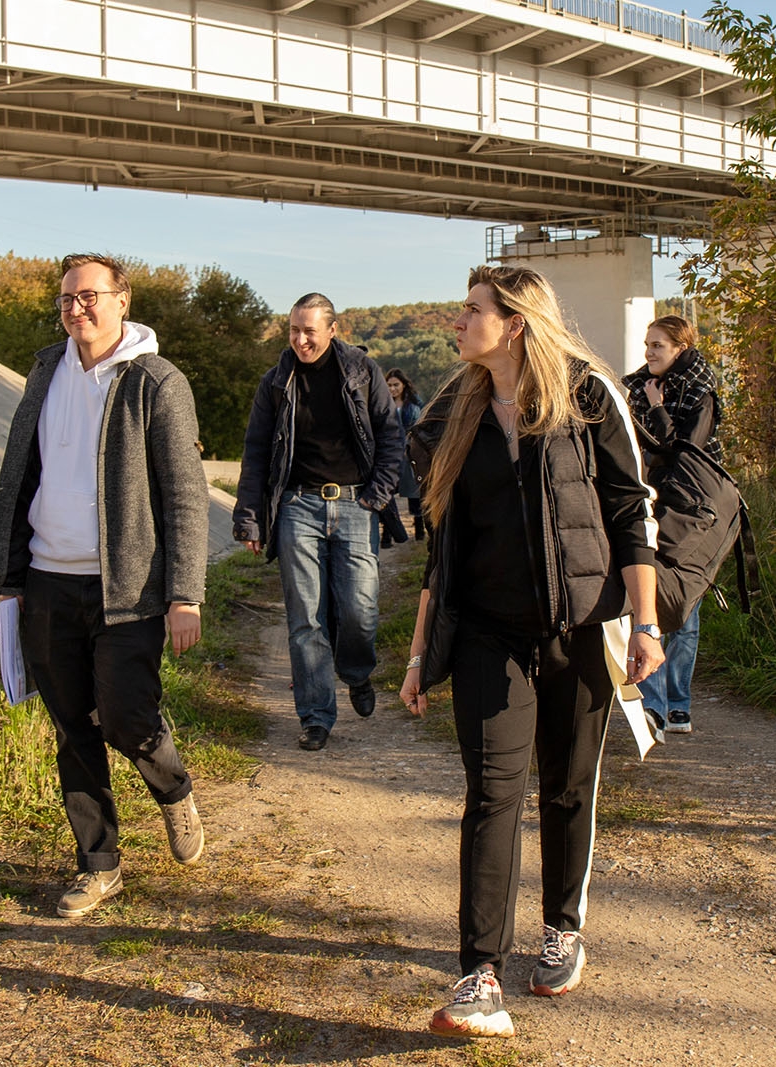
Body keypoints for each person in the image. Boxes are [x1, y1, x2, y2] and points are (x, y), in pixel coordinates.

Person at [399, 265, 665, 1039]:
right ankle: (479, 975)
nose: (458, 321)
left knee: (568, 786)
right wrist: (418, 654)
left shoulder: (588, 396)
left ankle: (561, 929)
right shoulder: (456, 411)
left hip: (580, 628)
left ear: (514, 322)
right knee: (492, 793)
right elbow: (443, 551)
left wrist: (646, 624)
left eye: (472, 310)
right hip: (489, 634)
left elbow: (632, 512)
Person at [0, 252, 209, 918]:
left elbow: (185, 494)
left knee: (128, 715)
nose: (76, 308)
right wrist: (11, 573)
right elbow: (20, 473)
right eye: (66, 299)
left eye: (89, 296)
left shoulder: (156, 382)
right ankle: (99, 865)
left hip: (127, 590)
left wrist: (185, 595)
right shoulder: (46, 370)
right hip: (49, 580)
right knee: (73, 727)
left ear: (121, 300)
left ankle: (172, 788)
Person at [232, 293, 403, 752]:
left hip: (355, 505)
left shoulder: (362, 372)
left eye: (309, 330)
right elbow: (256, 450)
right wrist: (250, 518)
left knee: (360, 610)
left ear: (332, 329)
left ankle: (356, 672)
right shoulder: (276, 381)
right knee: (306, 618)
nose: (300, 339)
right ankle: (315, 717)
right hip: (297, 508)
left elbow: (390, 436)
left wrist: (376, 496)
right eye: (294, 330)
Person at [622, 314, 722, 736]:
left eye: (657, 345)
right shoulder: (640, 389)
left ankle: (678, 704)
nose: (648, 352)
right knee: (652, 599)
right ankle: (655, 708)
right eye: (647, 344)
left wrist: (658, 408)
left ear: (680, 348)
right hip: (652, 499)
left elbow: (686, 451)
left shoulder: (700, 391)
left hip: (694, 507)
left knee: (685, 605)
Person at [385, 368, 426, 540]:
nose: (392, 389)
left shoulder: (414, 404)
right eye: (389, 385)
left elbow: (419, 427)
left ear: (403, 385)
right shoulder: (383, 403)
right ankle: (387, 533)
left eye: (396, 385)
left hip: (409, 453)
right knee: (386, 492)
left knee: (414, 491)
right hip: (389, 454)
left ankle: (419, 530)